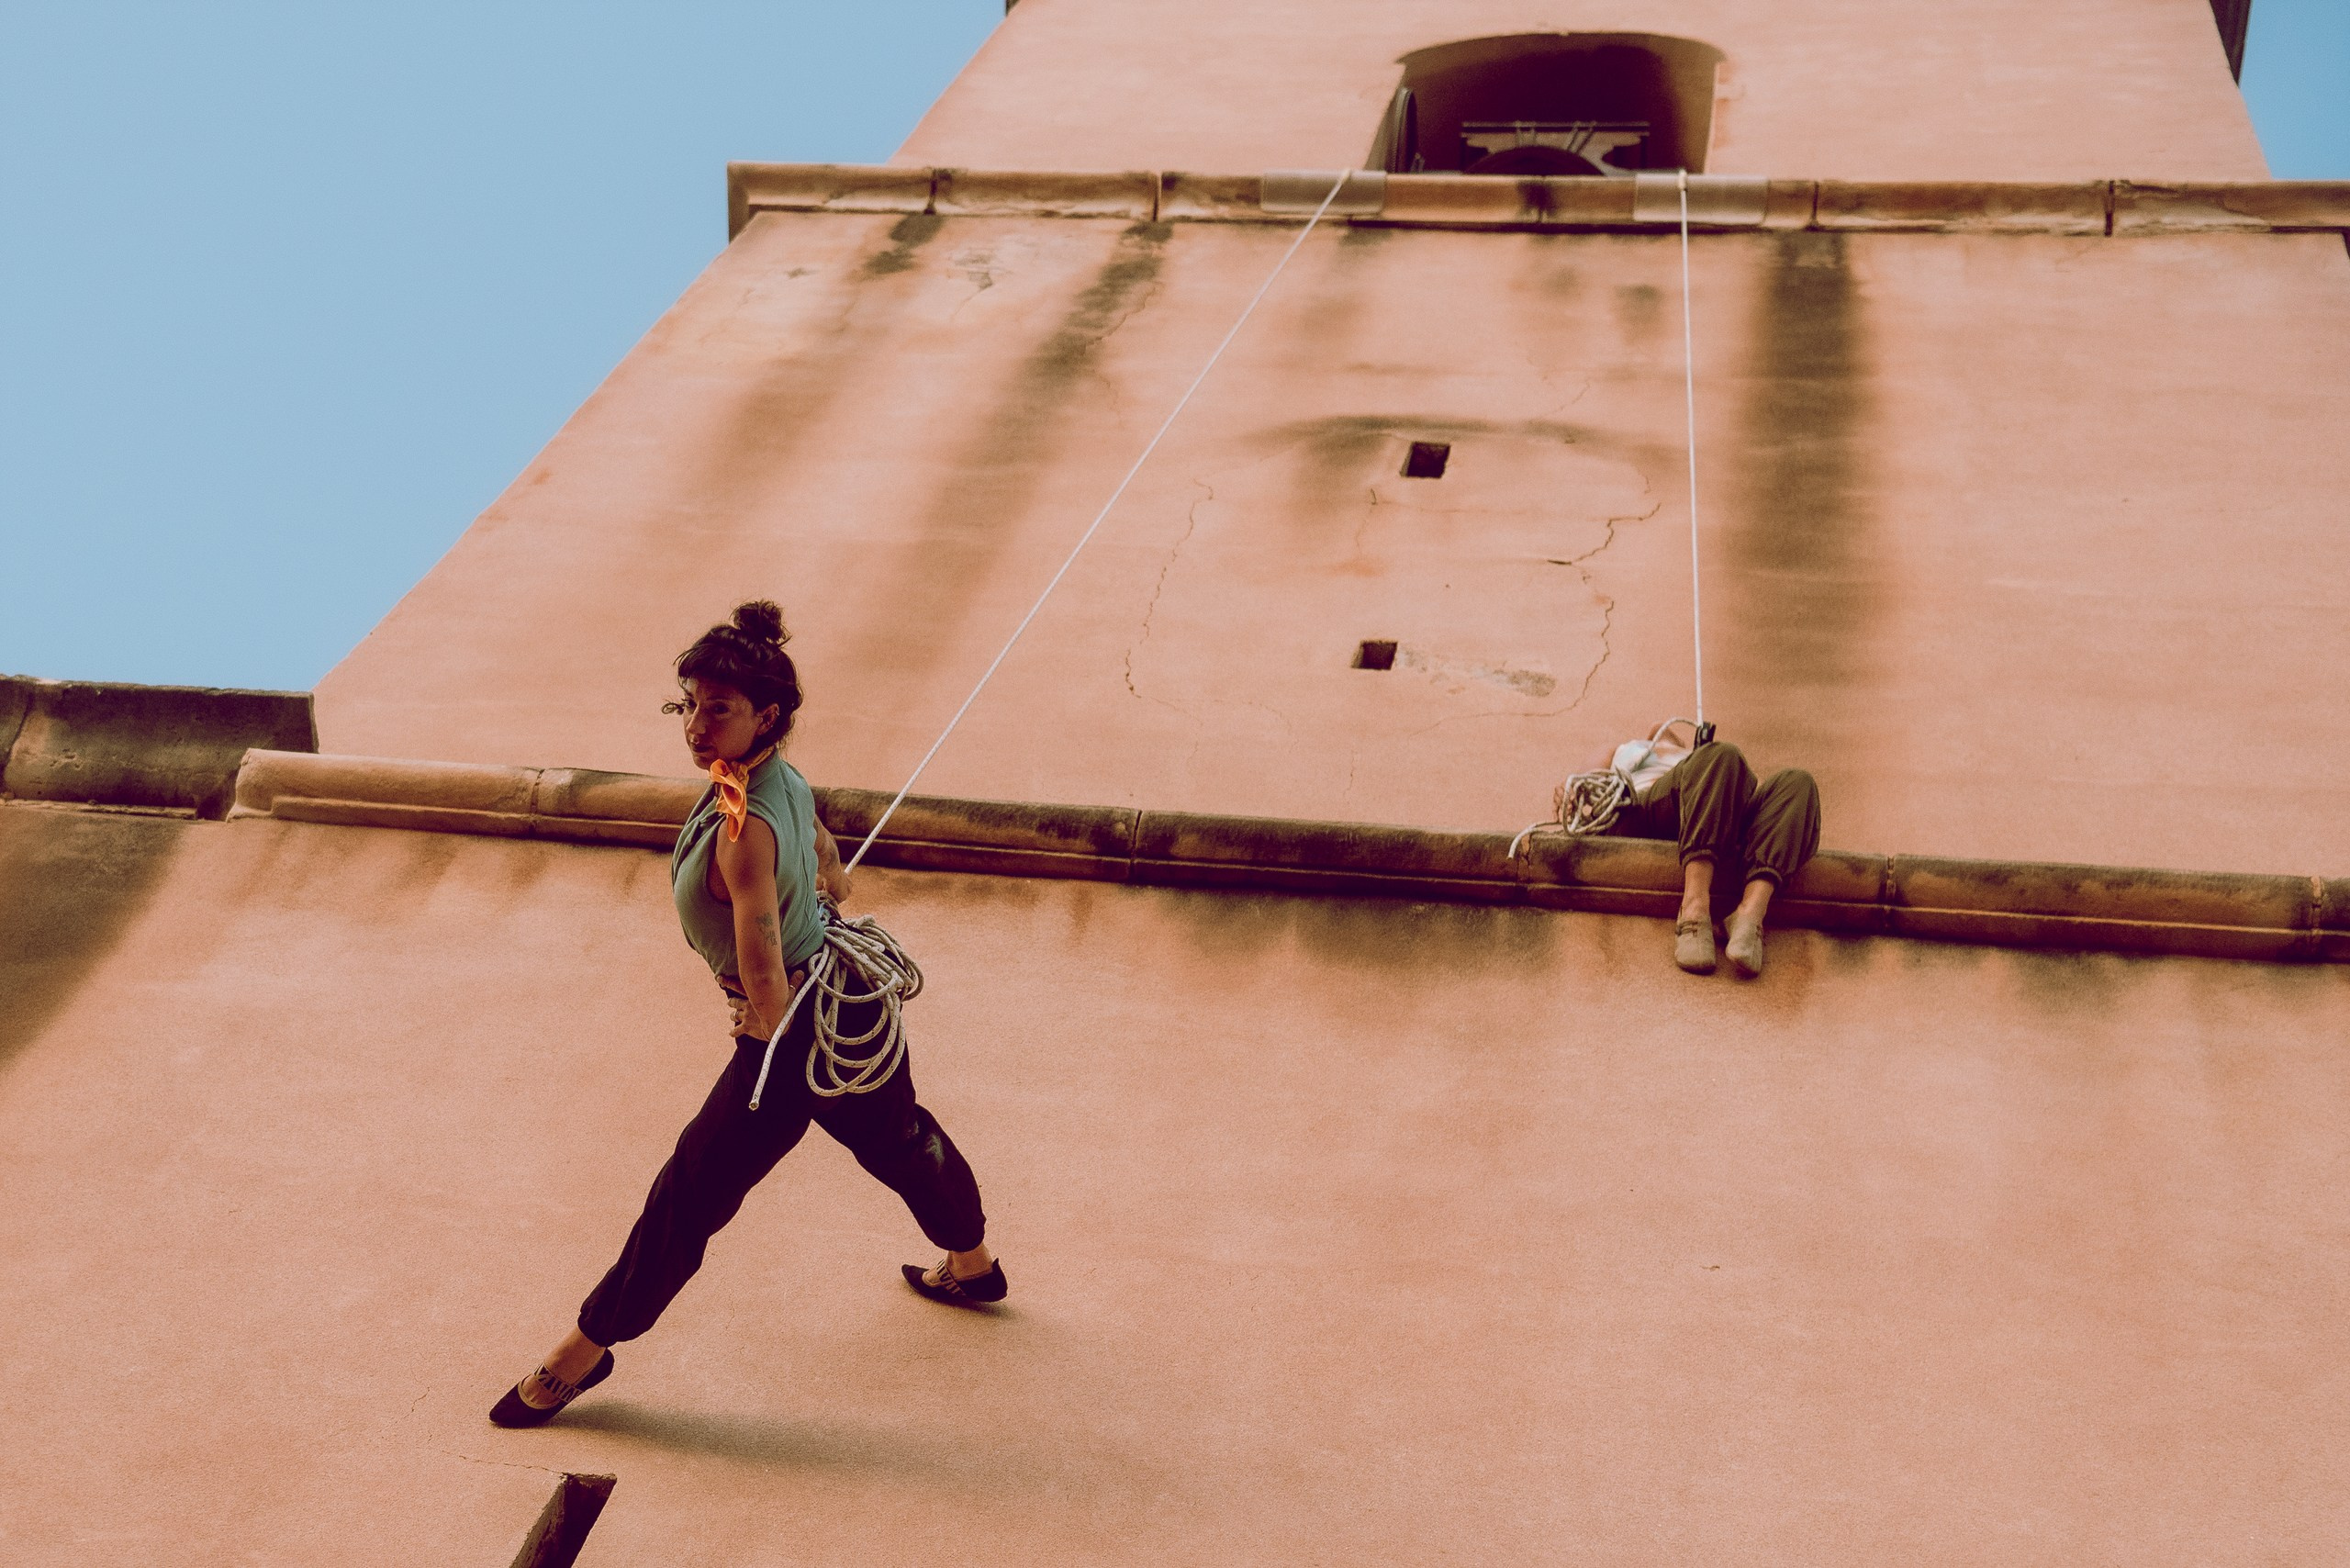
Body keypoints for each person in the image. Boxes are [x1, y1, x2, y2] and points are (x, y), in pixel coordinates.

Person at [491, 601, 1002, 1428]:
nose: (697, 726)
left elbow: (762, 960)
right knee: (900, 1137)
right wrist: (832, 886)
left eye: (718, 709)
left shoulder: (744, 831)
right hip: (843, 1008)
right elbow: (823, 847)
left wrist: (765, 1041)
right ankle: (973, 1264)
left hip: (795, 1028)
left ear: (766, 716)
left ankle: (582, 1351)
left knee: (689, 1192)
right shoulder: (775, 782)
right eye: (688, 705)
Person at [1606, 739, 1820, 978]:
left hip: (1708, 804)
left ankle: (1749, 916)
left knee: (1798, 783)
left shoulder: (1701, 756)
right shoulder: (1624, 748)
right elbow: (1583, 783)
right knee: (1723, 753)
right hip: (1645, 807)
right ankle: (1693, 910)